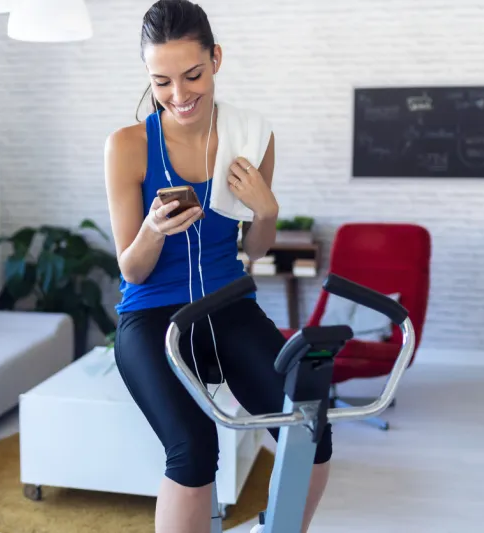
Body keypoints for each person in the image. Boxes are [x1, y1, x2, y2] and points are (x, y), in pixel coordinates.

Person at [103, 1, 332, 531]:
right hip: (153, 316)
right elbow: (131, 271)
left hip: (229, 305)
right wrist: (152, 231)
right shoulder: (128, 147)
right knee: (193, 450)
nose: (179, 96)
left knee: (310, 429)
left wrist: (266, 208)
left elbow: (253, 251)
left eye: (192, 75)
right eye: (161, 82)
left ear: (216, 59)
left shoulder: (251, 138)